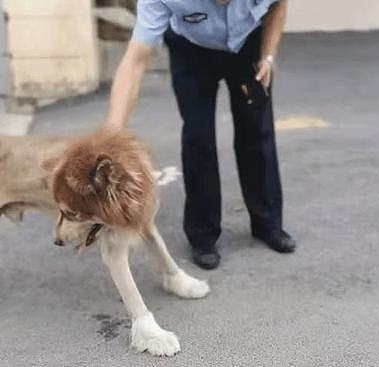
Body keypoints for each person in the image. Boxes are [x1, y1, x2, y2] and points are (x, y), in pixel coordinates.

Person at [104, 0, 296, 270]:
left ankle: (268, 224)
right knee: (198, 137)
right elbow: (134, 62)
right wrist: (111, 135)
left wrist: (268, 55)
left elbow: (278, 5)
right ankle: (202, 235)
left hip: (248, 46)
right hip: (191, 52)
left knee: (257, 130)